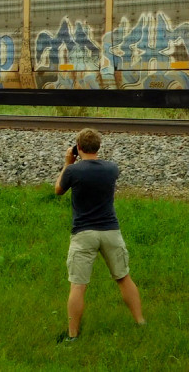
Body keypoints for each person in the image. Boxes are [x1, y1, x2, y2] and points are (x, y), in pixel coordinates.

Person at [54, 127, 146, 342]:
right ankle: (141, 322)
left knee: (78, 285)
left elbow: (58, 190)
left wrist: (68, 162)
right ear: (98, 147)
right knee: (123, 277)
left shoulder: (73, 171)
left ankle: (73, 335)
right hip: (111, 231)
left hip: (83, 232)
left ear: (78, 148)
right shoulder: (111, 169)